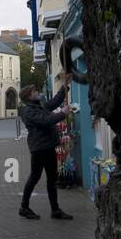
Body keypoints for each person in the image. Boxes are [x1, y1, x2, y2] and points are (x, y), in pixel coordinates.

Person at [18, 73, 84, 220]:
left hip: (48, 146)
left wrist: (65, 86)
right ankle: (24, 207)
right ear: (29, 96)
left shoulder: (39, 105)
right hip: (39, 148)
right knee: (34, 177)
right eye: (35, 92)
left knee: (52, 179)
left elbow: (54, 102)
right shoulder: (28, 111)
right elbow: (45, 121)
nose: (38, 93)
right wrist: (62, 113)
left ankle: (55, 210)